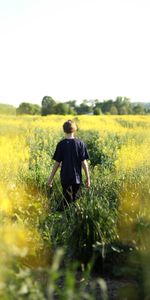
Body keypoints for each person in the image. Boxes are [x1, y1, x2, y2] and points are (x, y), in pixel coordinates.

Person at [48, 119, 90, 209]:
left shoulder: (61, 144)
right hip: (77, 178)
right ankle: (75, 220)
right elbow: (84, 163)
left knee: (66, 201)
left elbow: (57, 164)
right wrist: (88, 178)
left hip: (65, 178)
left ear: (64, 130)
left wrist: (50, 179)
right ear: (75, 130)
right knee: (76, 202)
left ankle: (65, 219)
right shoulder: (80, 144)